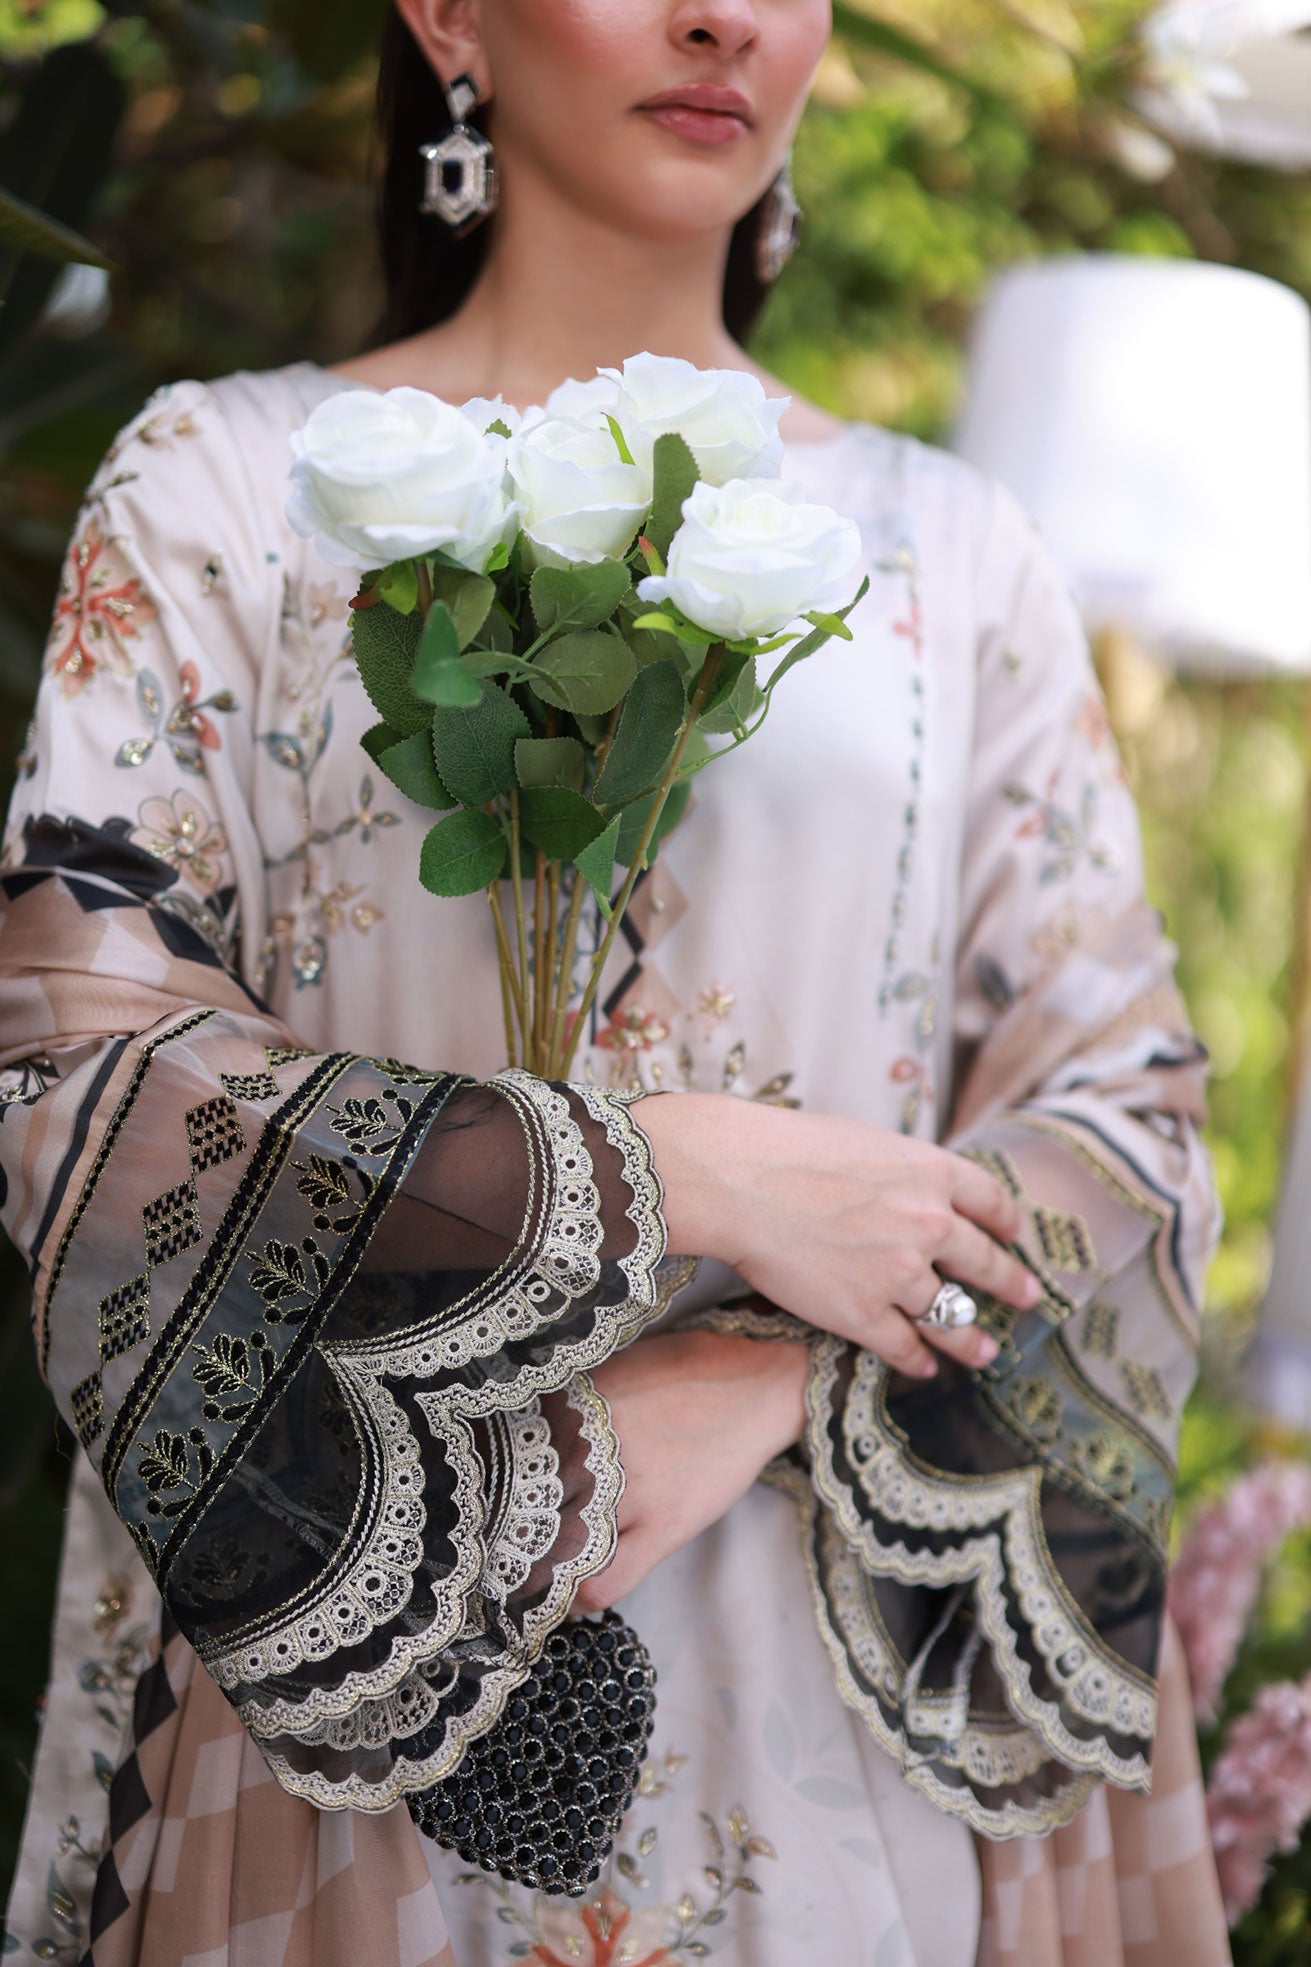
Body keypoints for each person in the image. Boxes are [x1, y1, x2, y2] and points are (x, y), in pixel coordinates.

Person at [0, 1, 1235, 1963]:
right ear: (444, 19)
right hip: (350, 1673)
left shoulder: (946, 556)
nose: (717, 18)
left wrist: (758, 1375)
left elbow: (1130, 1126)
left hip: (833, 1706)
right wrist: (675, 1176)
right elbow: (79, 1087)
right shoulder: (225, 489)